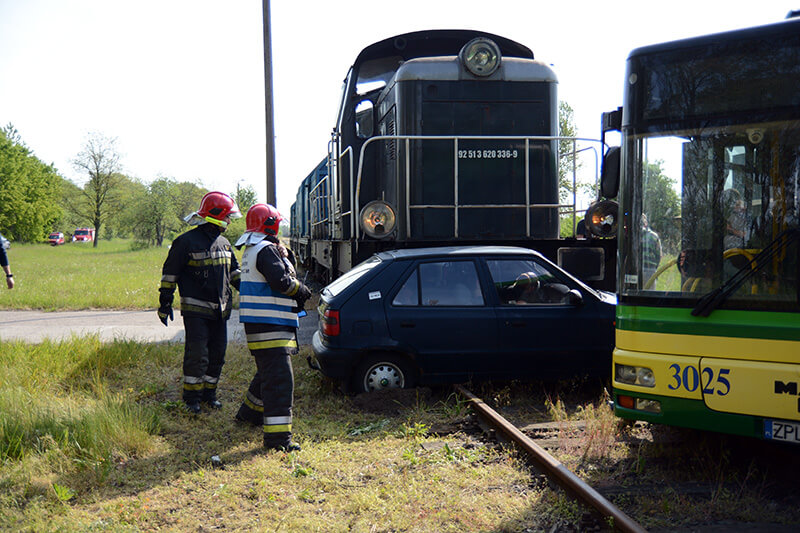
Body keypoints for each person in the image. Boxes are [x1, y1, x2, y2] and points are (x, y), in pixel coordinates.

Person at [233, 204, 311, 452]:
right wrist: (302, 291)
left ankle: (249, 414)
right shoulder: (265, 250)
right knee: (279, 382)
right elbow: (280, 282)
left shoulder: (254, 248)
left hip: (264, 327)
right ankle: (278, 440)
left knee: (267, 373)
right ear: (272, 224)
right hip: (271, 327)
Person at [158, 191, 242, 414]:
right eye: (227, 216)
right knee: (197, 355)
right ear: (216, 216)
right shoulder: (185, 242)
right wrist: (165, 303)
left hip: (220, 312)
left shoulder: (224, 243)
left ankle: (209, 395)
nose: (229, 221)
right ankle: (191, 398)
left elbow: (235, 274)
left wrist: (253, 292)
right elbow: (170, 275)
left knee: (217, 355)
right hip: (196, 311)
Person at [641, 214, 662, 286]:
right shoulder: (654, 236)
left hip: (635, 270)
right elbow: (659, 255)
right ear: (646, 223)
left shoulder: (632, 235)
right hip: (650, 270)